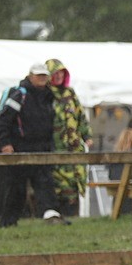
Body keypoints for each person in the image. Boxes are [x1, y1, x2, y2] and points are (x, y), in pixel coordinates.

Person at [0, 63, 68, 226]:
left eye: (44, 75)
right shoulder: (19, 94)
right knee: (16, 187)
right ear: (30, 76)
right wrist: (5, 143)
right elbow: (3, 121)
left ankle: (51, 216)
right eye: (39, 75)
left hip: (42, 148)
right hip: (20, 148)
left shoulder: (49, 96)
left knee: (45, 183)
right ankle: (8, 221)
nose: (42, 78)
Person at [45, 58, 93, 217]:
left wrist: (87, 135)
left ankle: (73, 215)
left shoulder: (70, 93)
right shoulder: (45, 95)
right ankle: (56, 215)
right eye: (55, 73)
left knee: (74, 183)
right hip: (53, 148)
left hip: (73, 149)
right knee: (57, 184)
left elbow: (80, 117)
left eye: (61, 73)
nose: (58, 76)